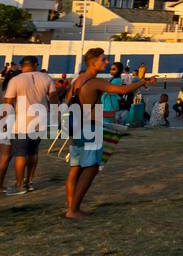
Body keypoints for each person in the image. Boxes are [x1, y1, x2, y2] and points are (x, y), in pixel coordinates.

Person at [64, 48, 152, 219]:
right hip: (89, 127)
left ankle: (71, 206)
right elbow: (123, 91)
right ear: (93, 62)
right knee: (91, 168)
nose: (106, 62)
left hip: (76, 127)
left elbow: (67, 102)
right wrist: (142, 82)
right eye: (103, 60)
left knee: (75, 168)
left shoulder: (77, 81)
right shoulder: (95, 82)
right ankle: (73, 210)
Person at [2, 56, 56, 196]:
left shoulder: (16, 80)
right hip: (41, 121)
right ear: (35, 65)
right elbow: (54, 98)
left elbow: (7, 103)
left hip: (22, 122)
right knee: (33, 152)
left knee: (21, 154)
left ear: (21, 66)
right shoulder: (47, 78)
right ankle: (29, 182)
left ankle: (19, 186)